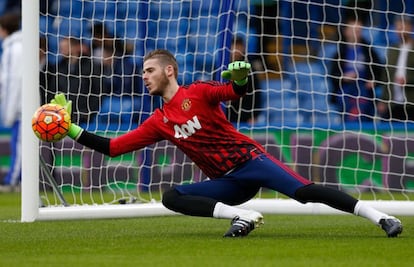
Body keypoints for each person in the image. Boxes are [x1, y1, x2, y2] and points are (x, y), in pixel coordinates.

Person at [50, 49, 402, 238]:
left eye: (149, 71)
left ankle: (380, 216)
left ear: (168, 71)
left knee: (305, 191)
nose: (144, 77)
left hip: (251, 160)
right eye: (143, 72)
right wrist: (71, 130)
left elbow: (234, 91)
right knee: (172, 197)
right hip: (228, 183)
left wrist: (243, 76)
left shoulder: (199, 93)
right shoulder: (158, 121)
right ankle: (243, 215)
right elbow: (114, 148)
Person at [329, 17, 384, 123]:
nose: (357, 32)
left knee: (363, 112)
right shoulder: (340, 53)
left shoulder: (369, 52)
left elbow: (379, 73)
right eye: (354, 30)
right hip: (346, 91)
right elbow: (333, 76)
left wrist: (373, 81)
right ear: (346, 32)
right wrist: (344, 77)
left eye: (359, 30)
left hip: (364, 90)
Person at [44, 36, 107, 125]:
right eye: (61, 47)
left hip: (84, 116)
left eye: (65, 47)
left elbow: (99, 91)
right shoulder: (58, 68)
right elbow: (52, 91)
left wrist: (88, 112)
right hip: (62, 115)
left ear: (75, 47)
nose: (62, 50)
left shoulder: (91, 67)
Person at [0, 11, 22, 191]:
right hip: (18, 106)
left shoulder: (15, 49)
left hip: (21, 107)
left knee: (20, 145)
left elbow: (15, 81)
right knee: (18, 143)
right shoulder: (12, 47)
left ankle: (13, 180)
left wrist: (9, 109)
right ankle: (15, 179)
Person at [378, 15, 414, 121]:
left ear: (410, 27)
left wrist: (408, 81)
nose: (400, 30)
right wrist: (383, 100)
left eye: (402, 26)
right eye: (398, 27)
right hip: (393, 104)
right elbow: (386, 76)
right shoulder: (392, 49)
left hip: (411, 103)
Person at [225, 36, 262, 124]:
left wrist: (254, 115)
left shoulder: (250, 69)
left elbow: (256, 93)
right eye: (233, 46)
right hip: (225, 116)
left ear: (243, 48)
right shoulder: (221, 68)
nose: (236, 50)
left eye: (238, 46)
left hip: (245, 117)